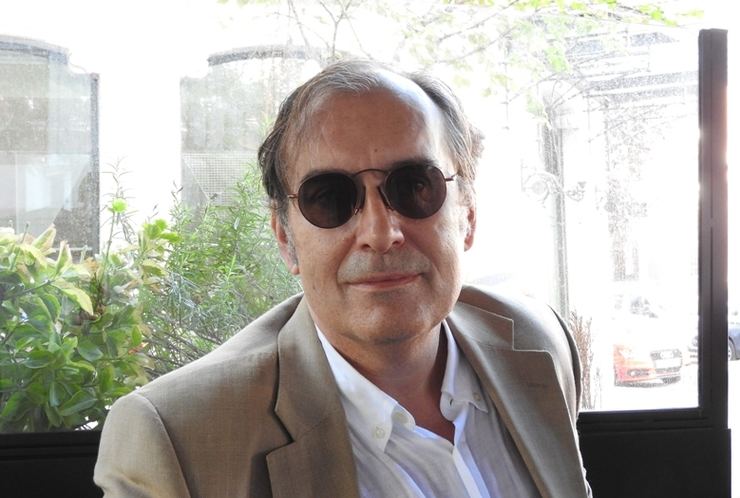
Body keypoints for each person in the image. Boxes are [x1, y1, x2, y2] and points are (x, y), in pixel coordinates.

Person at [94, 60, 591, 498]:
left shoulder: (537, 342)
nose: (381, 233)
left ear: (468, 214)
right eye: (330, 197)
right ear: (285, 238)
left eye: (414, 186)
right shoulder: (178, 439)